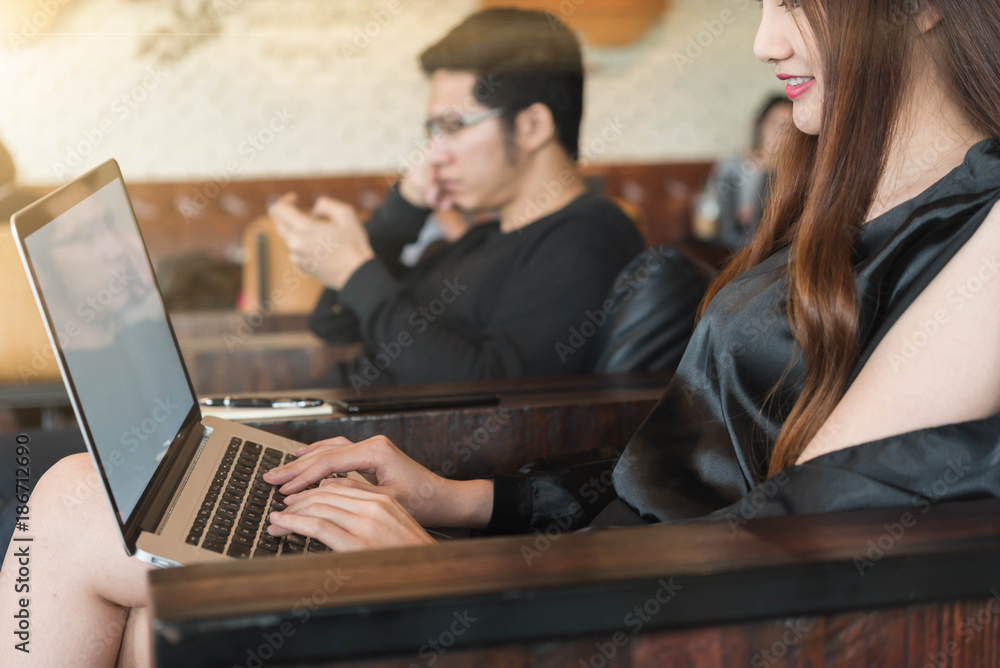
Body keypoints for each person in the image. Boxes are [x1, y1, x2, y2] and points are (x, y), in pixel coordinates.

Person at [6, 0, 1000, 664]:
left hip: (581, 623)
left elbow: (786, 557)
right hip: (570, 578)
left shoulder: (965, 250)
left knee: (80, 507)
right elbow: (684, 474)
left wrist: (441, 571)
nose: (761, 40)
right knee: (105, 519)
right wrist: (468, 499)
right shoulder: (839, 208)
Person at [269, 9, 644, 390]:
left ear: (532, 127)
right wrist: (403, 212)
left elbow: (497, 392)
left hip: (383, 440)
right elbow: (335, 322)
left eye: (453, 127)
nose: (434, 153)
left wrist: (353, 268)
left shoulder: (586, 237)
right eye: (432, 130)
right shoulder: (485, 237)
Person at [693, 95, 793, 251]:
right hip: (734, 245)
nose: (782, 133)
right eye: (776, 124)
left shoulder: (796, 169)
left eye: (789, 127)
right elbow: (708, 214)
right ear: (760, 124)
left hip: (778, 247)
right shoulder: (733, 163)